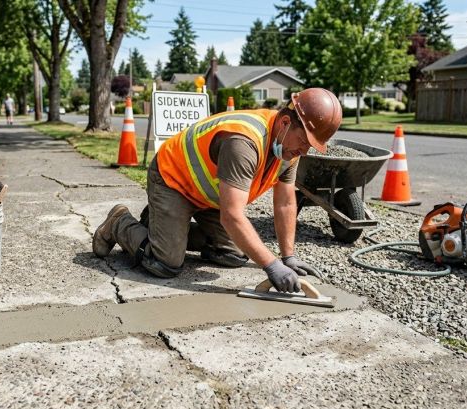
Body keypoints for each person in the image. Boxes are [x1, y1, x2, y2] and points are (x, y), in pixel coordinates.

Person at [92, 88, 342, 293]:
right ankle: (119, 223)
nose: (305, 151)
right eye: (305, 142)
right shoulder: (243, 143)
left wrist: (288, 257)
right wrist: (272, 265)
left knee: (233, 255)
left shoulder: (288, 149)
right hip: (173, 180)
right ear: (286, 122)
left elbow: (286, 204)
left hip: (207, 196)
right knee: (165, 264)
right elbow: (232, 215)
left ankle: (158, 226)